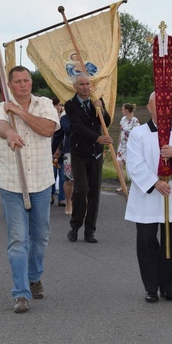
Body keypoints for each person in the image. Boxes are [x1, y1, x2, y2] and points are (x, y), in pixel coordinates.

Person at [0, 66, 59, 313]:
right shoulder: (1, 107)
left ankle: (34, 276)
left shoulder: (45, 104)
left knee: (40, 237)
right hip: (12, 184)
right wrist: (9, 133)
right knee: (18, 239)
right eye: (17, 81)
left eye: (26, 80)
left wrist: (19, 112)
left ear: (31, 82)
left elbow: (48, 129)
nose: (23, 84)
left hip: (41, 182)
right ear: (10, 85)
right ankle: (21, 293)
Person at [125, 92, 172, 302]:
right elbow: (134, 163)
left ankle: (170, 286)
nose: (162, 108)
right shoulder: (139, 134)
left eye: (166, 104)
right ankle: (151, 286)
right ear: (149, 108)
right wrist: (154, 182)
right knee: (147, 240)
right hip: (148, 195)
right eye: (157, 104)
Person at [64, 73, 112, 243]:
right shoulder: (70, 105)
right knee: (81, 190)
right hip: (79, 152)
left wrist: (102, 109)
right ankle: (75, 226)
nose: (85, 87)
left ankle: (90, 230)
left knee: (94, 192)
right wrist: (97, 138)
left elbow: (106, 122)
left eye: (87, 84)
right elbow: (77, 126)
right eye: (81, 84)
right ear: (75, 87)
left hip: (96, 153)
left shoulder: (96, 102)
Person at [51, 98, 66, 206]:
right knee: (52, 175)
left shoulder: (65, 118)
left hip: (64, 150)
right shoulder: (50, 118)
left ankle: (62, 198)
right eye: (57, 105)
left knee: (63, 175)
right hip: (51, 149)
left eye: (61, 105)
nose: (59, 107)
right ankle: (51, 195)